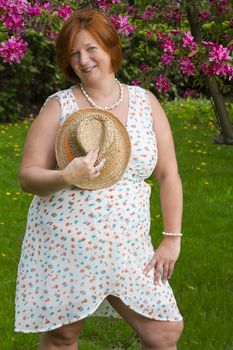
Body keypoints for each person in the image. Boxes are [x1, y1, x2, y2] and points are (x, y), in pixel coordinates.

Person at [15, 8, 184, 350]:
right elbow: (28, 177)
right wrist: (66, 175)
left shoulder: (145, 102)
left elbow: (168, 174)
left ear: (110, 47)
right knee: (63, 336)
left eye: (91, 48)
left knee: (165, 332)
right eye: (73, 53)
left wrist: (171, 238)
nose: (83, 59)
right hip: (65, 243)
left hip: (128, 245)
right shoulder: (58, 106)